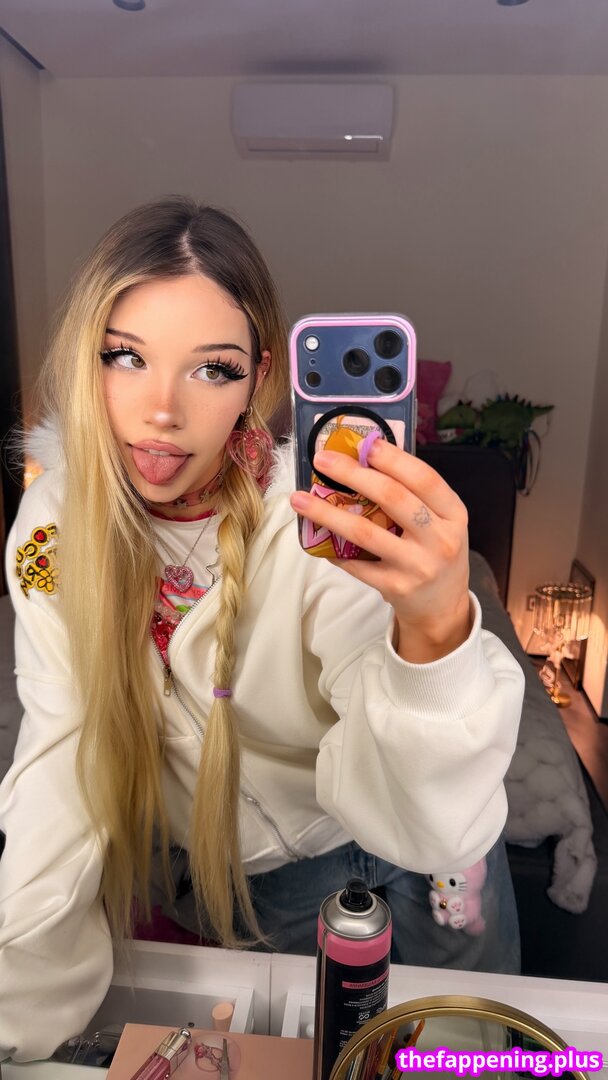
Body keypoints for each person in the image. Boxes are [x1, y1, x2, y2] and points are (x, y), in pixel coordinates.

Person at [0, 197, 524, 1063]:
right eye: (126, 356)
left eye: (212, 369)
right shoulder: (51, 528)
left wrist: (436, 631)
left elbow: (432, 816)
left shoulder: (316, 523)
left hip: (418, 863)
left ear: (260, 380)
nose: (161, 409)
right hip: (242, 887)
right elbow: (62, 756)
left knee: (474, 1055)